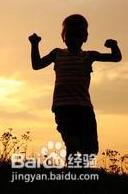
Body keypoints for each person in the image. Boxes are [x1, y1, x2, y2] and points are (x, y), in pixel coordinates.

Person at [29, 14, 122, 166]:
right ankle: (72, 172)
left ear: (85, 37)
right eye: (69, 35)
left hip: (84, 108)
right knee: (71, 142)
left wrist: (114, 45)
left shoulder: (89, 56)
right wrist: (34, 44)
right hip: (63, 107)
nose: (73, 38)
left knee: (91, 149)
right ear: (63, 37)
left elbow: (116, 58)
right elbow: (37, 64)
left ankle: (79, 172)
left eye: (77, 35)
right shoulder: (57, 53)